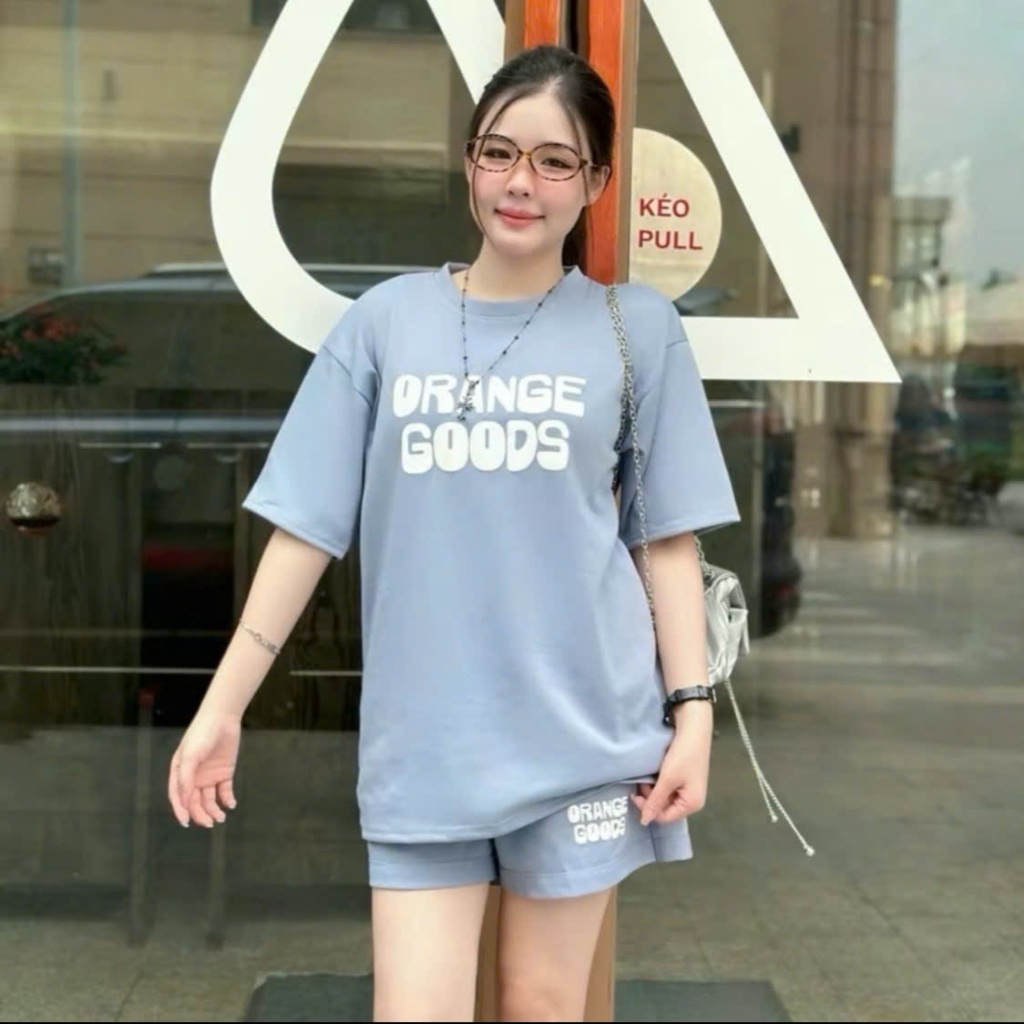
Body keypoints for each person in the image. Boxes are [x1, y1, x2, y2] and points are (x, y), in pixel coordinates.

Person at [167, 44, 740, 1023]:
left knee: (542, 1003)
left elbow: (664, 539)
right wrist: (223, 707)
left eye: (555, 160)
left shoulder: (636, 329)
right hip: (425, 743)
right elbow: (304, 530)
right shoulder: (385, 323)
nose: (521, 182)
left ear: (596, 182)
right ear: (469, 163)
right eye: (499, 152)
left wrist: (693, 714)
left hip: (586, 737)